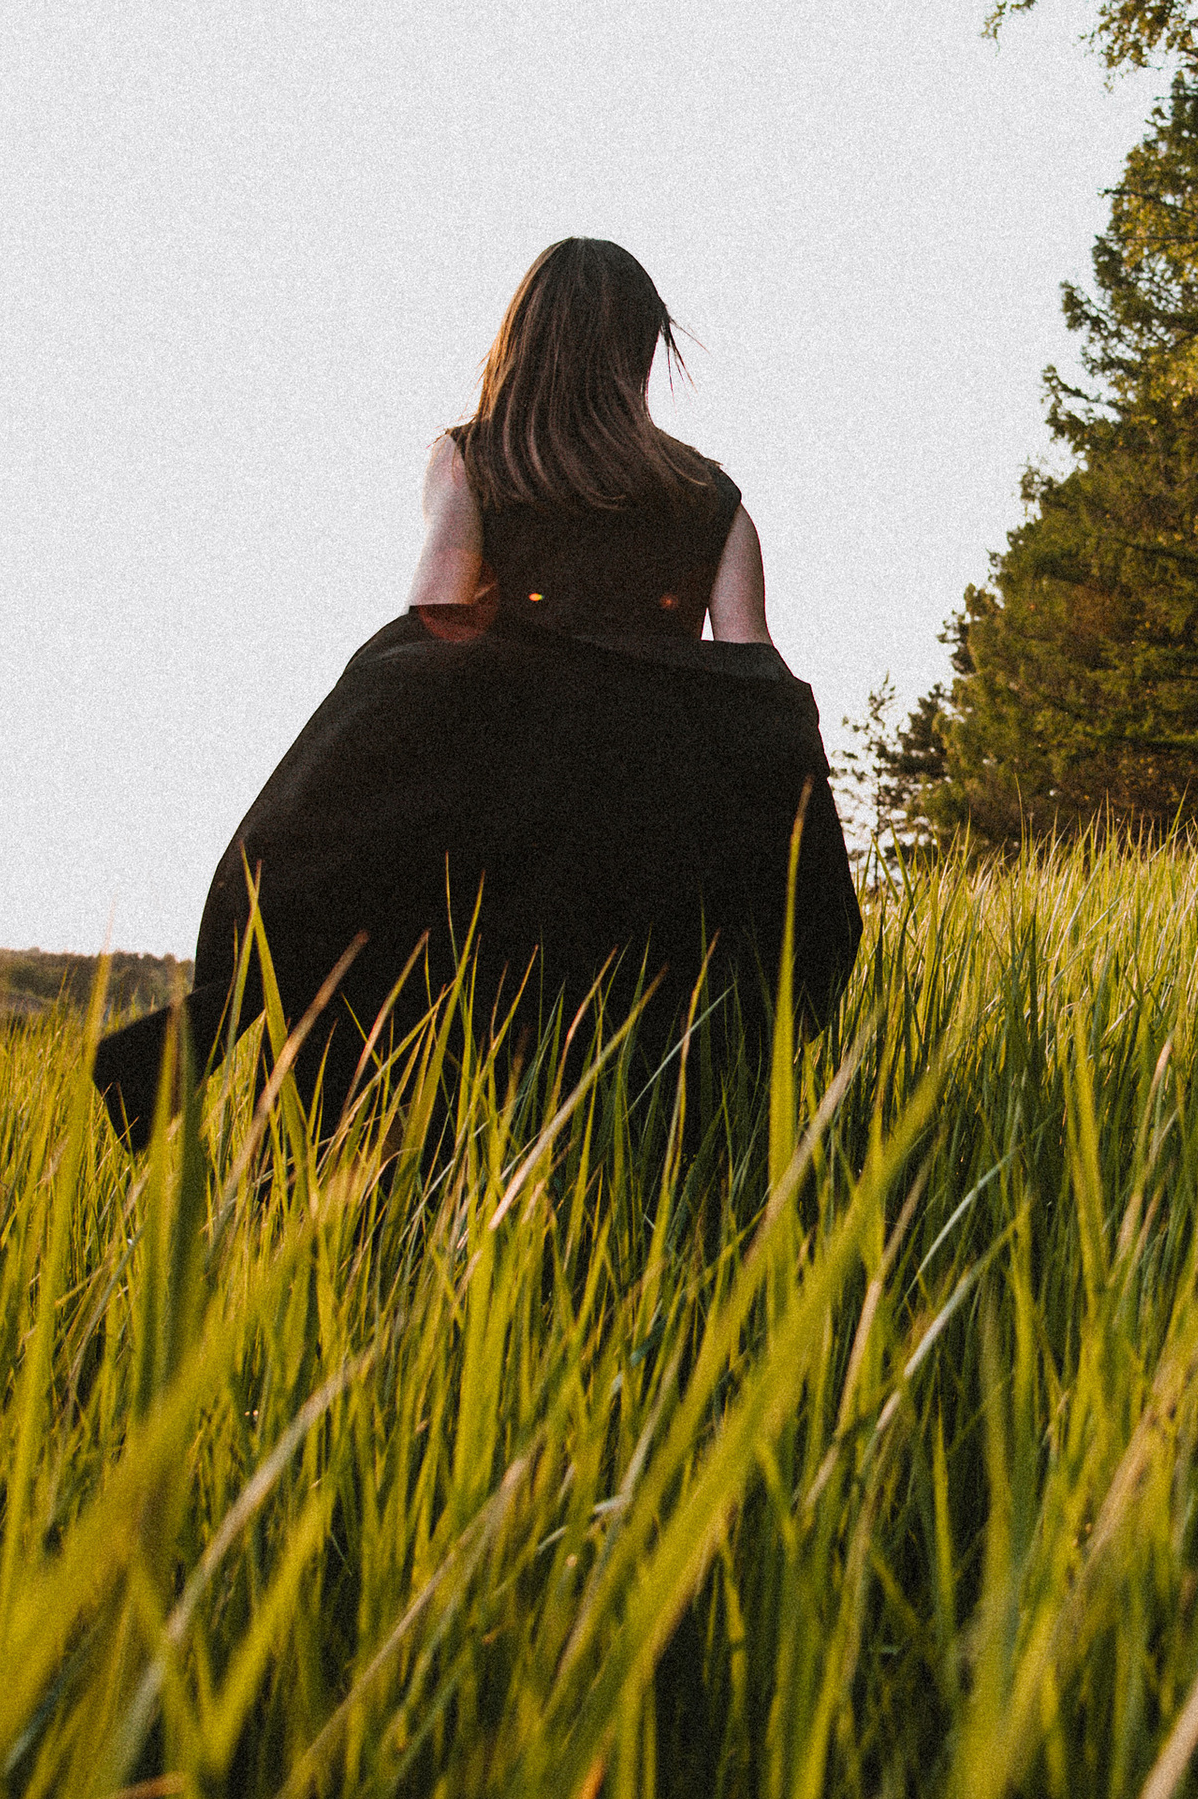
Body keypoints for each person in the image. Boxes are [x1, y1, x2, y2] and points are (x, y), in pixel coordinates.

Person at [92, 239, 860, 1146]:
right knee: (640, 1090)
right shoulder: (714, 497)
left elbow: (435, 626)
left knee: (416, 1049)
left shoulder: (470, 460)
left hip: (491, 813)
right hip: (650, 824)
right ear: (639, 350)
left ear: (523, 340)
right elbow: (754, 674)